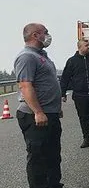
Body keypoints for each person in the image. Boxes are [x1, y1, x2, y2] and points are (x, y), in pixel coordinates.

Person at [14, 23, 64, 188]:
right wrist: (38, 112)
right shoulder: (27, 57)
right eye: (45, 32)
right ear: (35, 35)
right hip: (35, 116)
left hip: (50, 113)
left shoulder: (42, 55)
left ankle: (53, 184)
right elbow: (25, 86)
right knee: (38, 158)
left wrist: (55, 109)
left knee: (53, 156)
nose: (48, 36)